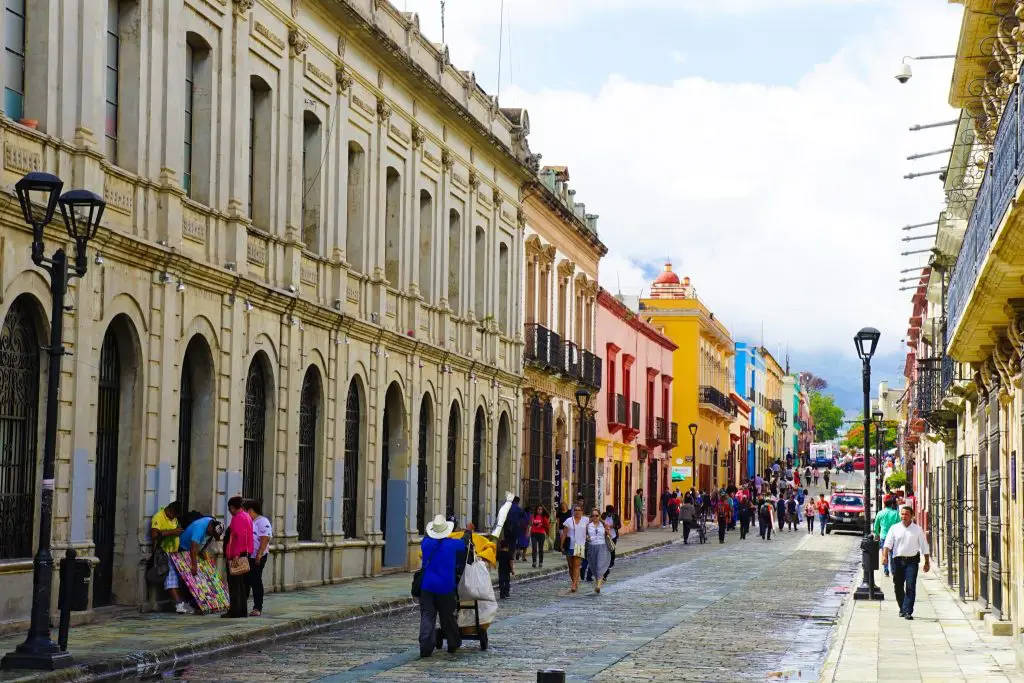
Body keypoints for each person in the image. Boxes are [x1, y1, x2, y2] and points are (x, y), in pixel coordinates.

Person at [418, 514, 464, 656]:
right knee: (447, 617)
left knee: (427, 616)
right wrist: (467, 532)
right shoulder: (452, 545)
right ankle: (453, 642)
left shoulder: (425, 544)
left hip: (427, 587)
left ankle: (425, 647)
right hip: (445, 587)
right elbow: (464, 544)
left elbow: (426, 538)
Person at [882, 505, 931, 619]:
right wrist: (884, 556)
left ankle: (908, 611)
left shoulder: (917, 529)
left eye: (906, 514)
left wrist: (927, 562)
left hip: (912, 562)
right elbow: (887, 544)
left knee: (910, 586)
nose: (904, 516)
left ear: (912, 516)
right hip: (897, 561)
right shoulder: (894, 528)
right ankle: (902, 608)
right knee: (898, 586)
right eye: (902, 514)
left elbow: (924, 546)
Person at [150, 501, 190, 613]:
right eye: (173, 515)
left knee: (176, 579)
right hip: (164, 553)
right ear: (169, 510)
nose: (174, 518)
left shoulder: (174, 519)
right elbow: (154, 535)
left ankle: (180, 603)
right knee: (171, 580)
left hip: (174, 553)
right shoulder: (158, 517)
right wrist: (172, 532)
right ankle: (179, 605)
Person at [223, 496, 254, 618]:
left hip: (236, 556)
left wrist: (235, 555)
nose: (230, 511)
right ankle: (241, 610)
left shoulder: (238, 518)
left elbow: (238, 538)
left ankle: (235, 611)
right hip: (243, 554)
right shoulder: (247, 516)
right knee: (241, 585)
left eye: (230, 508)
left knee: (234, 585)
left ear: (232, 507)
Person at [245, 499, 272, 616]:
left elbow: (265, 538)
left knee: (255, 581)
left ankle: (257, 607)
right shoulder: (250, 520)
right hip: (248, 556)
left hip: (258, 556)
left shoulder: (262, 521)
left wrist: (259, 555)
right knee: (246, 581)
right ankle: (241, 605)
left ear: (250, 510)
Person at [178, 514, 224, 578]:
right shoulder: (199, 528)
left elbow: (202, 548)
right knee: (185, 575)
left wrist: (208, 562)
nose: (212, 535)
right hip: (183, 549)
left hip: (192, 550)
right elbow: (193, 549)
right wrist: (194, 566)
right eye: (212, 533)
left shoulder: (212, 524)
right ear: (210, 526)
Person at [585, 509, 613, 593]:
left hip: (602, 547)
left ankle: (598, 586)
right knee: (594, 567)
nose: (595, 517)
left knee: (599, 566)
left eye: (596, 515)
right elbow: (585, 536)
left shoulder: (603, 525)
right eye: (593, 515)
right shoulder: (588, 526)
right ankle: (598, 583)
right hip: (592, 547)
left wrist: (607, 532)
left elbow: (610, 536)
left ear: (599, 516)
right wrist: (587, 538)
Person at [561, 504, 587, 592]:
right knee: (571, 566)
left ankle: (574, 584)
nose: (577, 511)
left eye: (579, 510)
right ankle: (575, 581)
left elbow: (596, 521)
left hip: (580, 545)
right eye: (575, 510)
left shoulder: (585, 520)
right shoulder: (568, 520)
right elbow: (564, 534)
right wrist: (561, 545)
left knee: (576, 565)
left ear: (582, 511)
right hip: (569, 545)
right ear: (573, 511)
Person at [873, 496, 901, 577]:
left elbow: (876, 526)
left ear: (884, 504)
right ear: (892, 504)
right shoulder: (895, 513)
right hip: (893, 537)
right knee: (892, 554)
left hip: (883, 536)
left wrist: (877, 534)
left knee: (884, 554)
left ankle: (886, 570)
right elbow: (899, 525)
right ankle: (893, 570)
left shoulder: (880, 513)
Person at [602, 505, 620, 580]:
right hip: (605, 536)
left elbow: (619, 525)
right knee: (605, 550)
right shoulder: (603, 515)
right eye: (609, 512)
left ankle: (611, 562)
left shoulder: (615, 516)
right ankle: (606, 563)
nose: (610, 514)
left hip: (613, 535)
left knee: (612, 549)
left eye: (611, 513)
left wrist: (614, 526)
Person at [497, 525, 515, 599]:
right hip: (507, 569)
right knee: (507, 581)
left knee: (501, 581)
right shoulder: (509, 553)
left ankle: (502, 593)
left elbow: (496, 560)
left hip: (501, 569)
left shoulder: (499, 553)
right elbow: (511, 562)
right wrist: (512, 569)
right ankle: (506, 593)